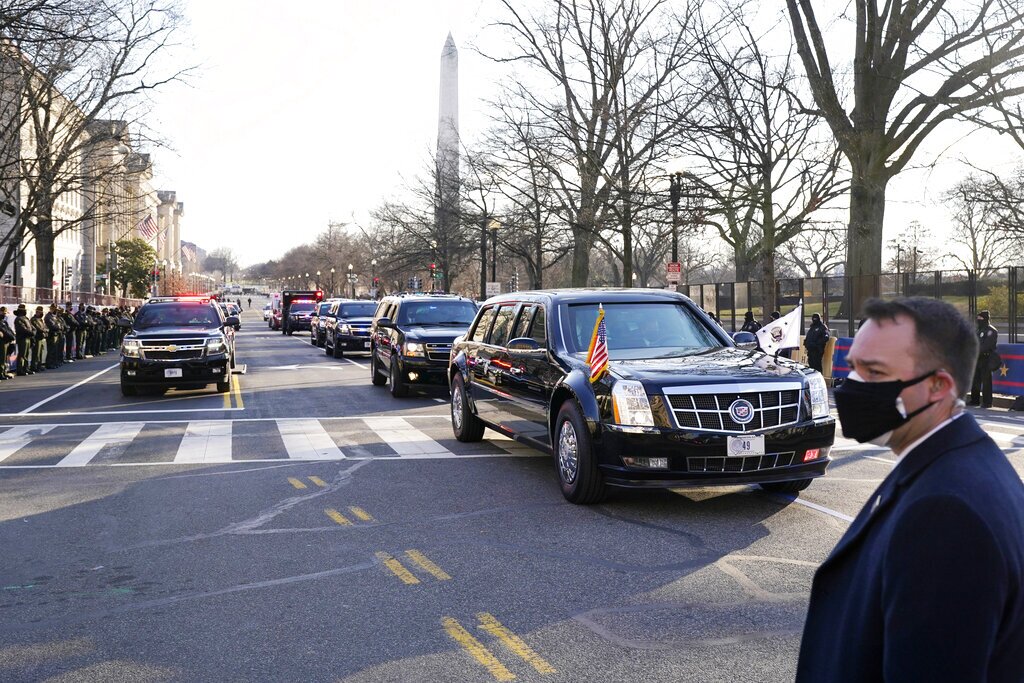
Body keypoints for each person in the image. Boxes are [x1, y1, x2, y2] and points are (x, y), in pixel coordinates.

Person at [796, 297, 1024, 682]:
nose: (851, 387)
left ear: (938, 386)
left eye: (874, 373)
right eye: (852, 368)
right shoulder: (953, 464)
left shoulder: (946, 513)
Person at [968, 309, 998, 408]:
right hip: (977, 358)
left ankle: (987, 402)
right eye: (978, 318)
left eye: (980, 318)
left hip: (986, 358)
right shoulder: (978, 330)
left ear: (985, 318)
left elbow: (987, 346)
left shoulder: (991, 331)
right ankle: (974, 400)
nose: (978, 319)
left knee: (986, 381)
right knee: (975, 380)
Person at [13, 304, 33, 375]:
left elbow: (31, 326)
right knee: (22, 354)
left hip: (27, 338)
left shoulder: (25, 318)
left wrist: (32, 332)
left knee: (26, 354)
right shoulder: (18, 319)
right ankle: (20, 370)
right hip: (22, 338)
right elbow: (22, 329)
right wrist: (31, 332)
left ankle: (26, 368)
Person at [30, 305, 47, 372]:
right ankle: (34, 366)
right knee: (36, 353)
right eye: (39, 312)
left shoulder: (40, 320)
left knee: (40, 353)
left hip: (41, 338)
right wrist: (44, 330)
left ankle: (39, 365)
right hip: (36, 338)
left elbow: (44, 327)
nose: (41, 314)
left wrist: (45, 331)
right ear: (37, 312)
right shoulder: (33, 320)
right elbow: (38, 328)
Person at [0, 306, 14, 380]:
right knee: (1, 358)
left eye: (5, 313)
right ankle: (1, 373)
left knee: (5, 358)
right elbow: (4, 331)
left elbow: (9, 330)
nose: (4, 314)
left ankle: (4, 372)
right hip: (2, 342)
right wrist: (10, 336)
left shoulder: (4, 321)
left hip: (6, 341)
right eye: (3, 313)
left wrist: (12, 336)